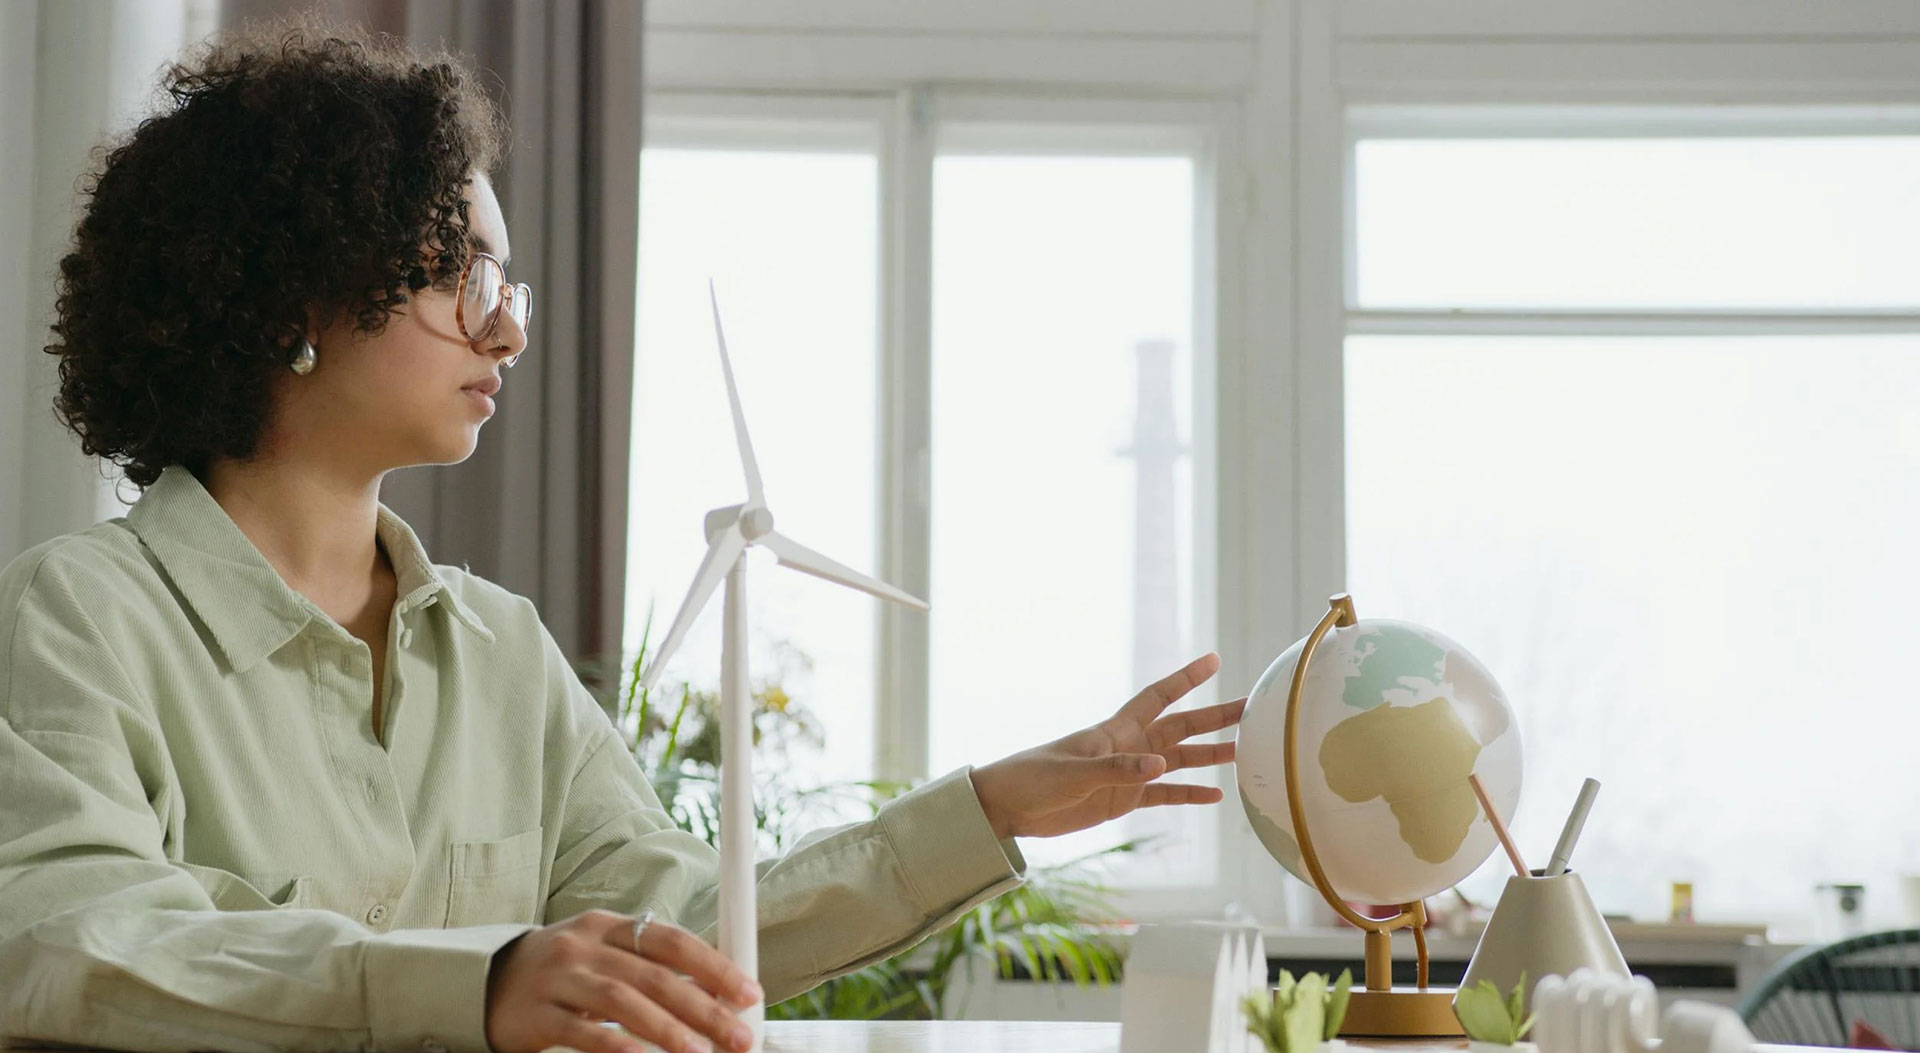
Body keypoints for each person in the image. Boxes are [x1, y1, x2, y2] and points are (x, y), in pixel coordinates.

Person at [0, 18, 1244, 1053]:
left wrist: (988, 808)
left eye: (513, 287)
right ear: (291, 296)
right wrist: (473, 983)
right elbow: (71, 941)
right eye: (463, 276)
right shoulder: (78, 620)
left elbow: (692, 919)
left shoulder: (499, 652)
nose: (510, 333)